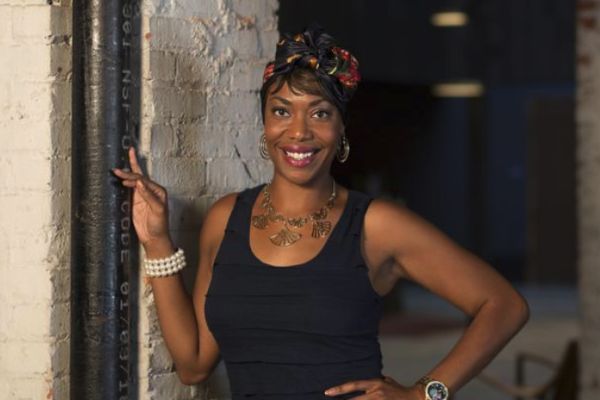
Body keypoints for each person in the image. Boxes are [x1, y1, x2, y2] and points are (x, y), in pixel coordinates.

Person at [112, 26, 529, 400]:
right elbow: (193, 364)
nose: (299, 131)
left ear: (341, 129)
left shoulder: (376, 225)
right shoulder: (226, 220)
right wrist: (157, 240)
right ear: (264, 124)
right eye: (281, 111)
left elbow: (504, 305)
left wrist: (425, 394)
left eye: (320, 113)